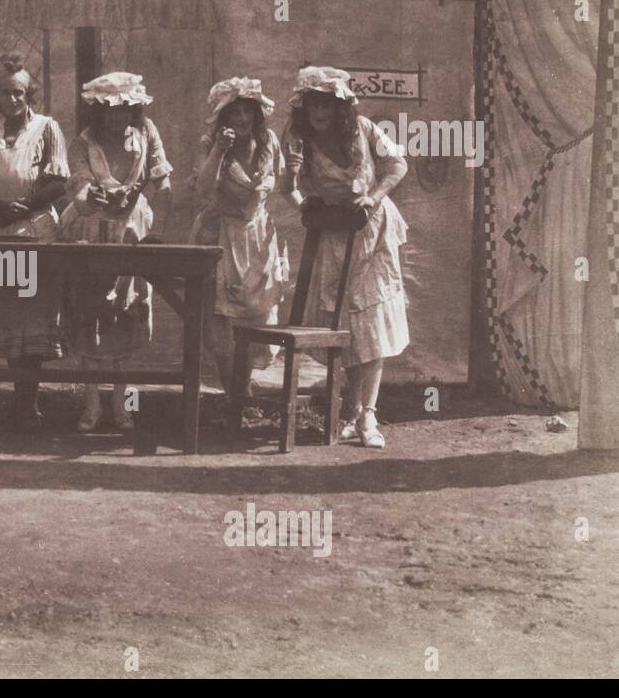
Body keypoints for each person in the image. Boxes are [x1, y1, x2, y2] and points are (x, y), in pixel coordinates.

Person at [283, 66, 410, 449]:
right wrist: (304, 198)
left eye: (326, 104)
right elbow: (287, 191)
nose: (319, 113)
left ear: (340, 107)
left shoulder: (365, 130)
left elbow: (397, 165)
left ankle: (368, 415)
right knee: (347, 326)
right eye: (312, 105)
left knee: (371, 321)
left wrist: (372, 198)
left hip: (372, 233)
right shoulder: (298, 141)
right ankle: (353, 412)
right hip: (334, 237)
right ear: (303, 109)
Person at [60, 72, 172, 432]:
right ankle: (91, 405)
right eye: (108, 110)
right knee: (91, 316)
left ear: (135, 109)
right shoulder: (83, 143)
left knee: (127, 314)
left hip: (133, 232)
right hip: (92, 232)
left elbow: (162, 180)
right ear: (97, 111)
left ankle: (123, 405)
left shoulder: (146, 134)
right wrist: (89, 197)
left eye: (124, 109)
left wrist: (156, 223)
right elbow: (76, 185)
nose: (116, 117)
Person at [0, 53, 69, 430]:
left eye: (20, 93)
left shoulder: (47, 128)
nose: (13, 100)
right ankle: (19, 401)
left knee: (34, 316)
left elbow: (58, 182)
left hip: (37, 229)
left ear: (30, 95)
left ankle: (31, 402)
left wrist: (24, 206)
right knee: (9, 318)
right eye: (5, 93)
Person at [188, 76, 291, 404]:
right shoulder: (210, 143)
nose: (243, 119)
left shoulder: (269, 141)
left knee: (255, 319)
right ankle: (232, 393)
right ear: (224, 117)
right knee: (222, 324)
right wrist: (220, 149)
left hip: (257, 237)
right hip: (220, 235)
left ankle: (242, 391)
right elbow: (203, 189)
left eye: (249, 111)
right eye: (235, 113)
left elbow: (284, 180)